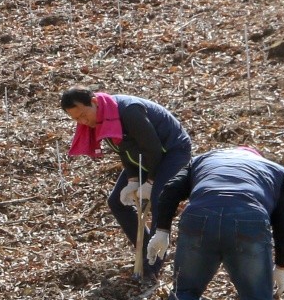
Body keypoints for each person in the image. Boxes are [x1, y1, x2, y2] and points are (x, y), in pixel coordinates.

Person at [149, 145, 284, 300]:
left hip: (200, 216)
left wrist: (162, 230)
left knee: (186, 290)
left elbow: (170, 189)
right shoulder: (273, 170)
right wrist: (281, 265)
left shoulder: (202, 160)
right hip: (250, 218)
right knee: (256, 298)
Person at [61, 87, 193, 274]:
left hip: (171, 151)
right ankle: (147, 248)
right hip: (143, 156)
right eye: (76, 119)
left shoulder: (129, 111)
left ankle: (153, 265)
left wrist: (151, 182)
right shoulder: (101, 118)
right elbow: (123, 149)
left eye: (83, 115)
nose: (83, 122)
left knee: (158, 199)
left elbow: (154, 149)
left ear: (95, 102)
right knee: (116, 202)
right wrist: (132, 179)